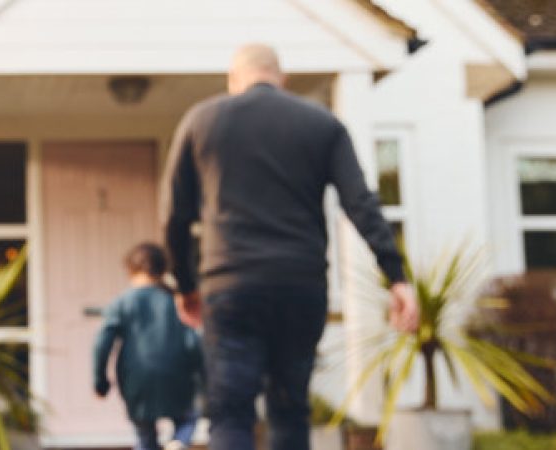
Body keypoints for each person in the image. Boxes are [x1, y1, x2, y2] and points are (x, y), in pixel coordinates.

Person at [162, 43, 420, 450]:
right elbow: (361, 204)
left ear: (234, 81)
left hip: (230, 288)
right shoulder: (322, 124)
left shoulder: (202, 121)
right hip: (300, 287)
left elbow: (175, 216)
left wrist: (185, 284)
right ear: (280, 78)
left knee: (230, 412)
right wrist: (397, 276)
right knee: (289, 409)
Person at [93, 243, 203, 450]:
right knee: (188, 418)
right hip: (178, 373)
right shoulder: (176, 300)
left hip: (136, 378)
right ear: (162, 269)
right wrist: (203, 375)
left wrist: (100, 381)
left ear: (131, 270)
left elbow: (103, 342)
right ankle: (178, 443)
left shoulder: (122, 302)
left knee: (145, 435)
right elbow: (194, 340)